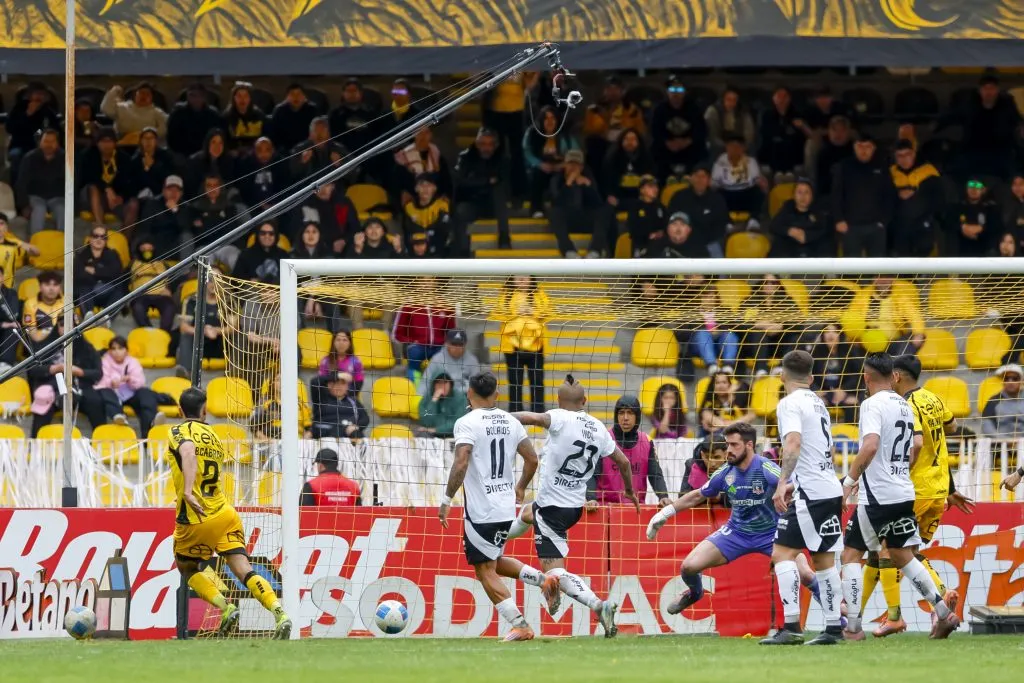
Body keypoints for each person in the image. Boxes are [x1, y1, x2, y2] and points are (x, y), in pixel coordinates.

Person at [839, 353, 961, 641]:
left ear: (867, 377)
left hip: (878, 496)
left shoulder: (871, 404)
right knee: (902, 555)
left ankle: (853, 628)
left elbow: (870, 446)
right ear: (891, 375)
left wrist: (850, 480)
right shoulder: (903, 404)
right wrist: (897, 470)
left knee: (851, 555)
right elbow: (917, 443)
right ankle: (943, 612)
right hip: (904, 491)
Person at [649, 424, 824, 617]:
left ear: (749, 445)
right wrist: (664, 514)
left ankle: (837, 614)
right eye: (727, 445)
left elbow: (794, 487)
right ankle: (695, 594)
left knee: (806, 574)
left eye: (734, 445)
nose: (728, 450)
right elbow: (697, 495)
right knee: (688, 567)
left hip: (773, 534)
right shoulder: (725, 473)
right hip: (736, 533)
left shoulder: (766, 468)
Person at [507, 376, 635, 634]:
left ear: (557, 401)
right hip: (574, 506)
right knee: (529, 512)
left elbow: (530, 418)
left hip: (553, 508)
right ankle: (498, 537)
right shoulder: (599, 427)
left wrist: (497, 416)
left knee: (555, 575)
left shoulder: (559, 417)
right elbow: (624, 462)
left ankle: (599, 605)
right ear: (585, 401)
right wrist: (630, 491)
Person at [169, 388, 292, 638]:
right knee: (244, 569)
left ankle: (226, 607)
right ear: (205, 410)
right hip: (226, 512)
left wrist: (190, 491)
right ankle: (279, 611)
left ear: (180, 411)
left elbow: (189, 453)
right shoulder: (214, 435)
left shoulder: (179, 431)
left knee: (187, 568)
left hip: (196, 516)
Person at [437, 372, 543, 642]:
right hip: (506, 505)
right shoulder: (511, 421)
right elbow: (532, 460)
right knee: (493, 559)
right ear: (497, 394)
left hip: (481, 509)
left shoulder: (466, 422)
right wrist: (519, 487)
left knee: (484, 570)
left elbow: (461, 462)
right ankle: (544, 580)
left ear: (469, 393)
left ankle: (520, 625)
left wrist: (447, 499)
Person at [761, 350, 845, 646]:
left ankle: (792, 626)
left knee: (781, 554)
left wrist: (783, 481)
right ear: (810, 377)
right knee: (823, 561)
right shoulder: (818, 403)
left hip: (810, 493)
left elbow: (793, 443)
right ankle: (834, 629)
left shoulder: (789, 403)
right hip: (829, 488)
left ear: (782, 375)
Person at [27, 317, 107, 437]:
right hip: (51, 386)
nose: (66, 328)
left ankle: (101, 443)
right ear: (57, 327)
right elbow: (31, 369)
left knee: (96, 402)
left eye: (70, 325)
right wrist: (54, 368)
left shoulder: (86, 347)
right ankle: (35, 447)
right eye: (62, 325)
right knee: (43, 407)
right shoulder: (45, 346)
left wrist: (80, 372)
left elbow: (98, 373)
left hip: (80, 386)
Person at [588, 395, 671, 507]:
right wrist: (591, 499)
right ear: (616, 416)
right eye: (621, 413)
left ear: (637, 416)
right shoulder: (603, 439)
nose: (625, 417)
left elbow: (655, 475)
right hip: (605, 508)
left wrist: (663, 496)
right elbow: (592, 474)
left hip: (635, 509)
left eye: (630, 413)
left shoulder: (647, 441)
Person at [831, 133, 895, 257]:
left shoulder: (882, 166)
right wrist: (839, 219)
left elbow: (890, 195)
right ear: (854, 147)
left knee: (877, 269)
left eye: (867, 147)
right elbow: (836, 195)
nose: (864, 150)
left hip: (876, 226)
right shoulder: (844, 166)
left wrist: (884, 221)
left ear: (874, 148)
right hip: (850, 227)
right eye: (860, 146)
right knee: (852, 272)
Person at [494, 276, 551, 413]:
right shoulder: (506, 294)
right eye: (518, 277)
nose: (522, 280)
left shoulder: (539, 294)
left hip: (536, 346)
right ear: (512, 279)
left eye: (525, 277)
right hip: (513, 348)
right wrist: (516, 312)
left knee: (537, 381)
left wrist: (533, 312)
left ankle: (538, 411)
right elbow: (497, 313)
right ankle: (515, 410)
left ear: (531, 279)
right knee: (514, 381)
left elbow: (549, 312)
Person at [452, 128, 510, 253]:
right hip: (472, 202)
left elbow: (504, 183)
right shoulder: (466, 157)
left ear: (495, 146)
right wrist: (486, 181)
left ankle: (504, 238)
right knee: (460, 211)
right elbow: (460, 182)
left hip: (492, 204)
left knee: (498, 191)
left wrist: (476, 181)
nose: (486, 148)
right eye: (483, 144)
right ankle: (461, 250)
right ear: (477, 144)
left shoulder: (501, 159)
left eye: (490, 144)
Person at [548, 149, 615, 258]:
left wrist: (587, 187)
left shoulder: (588, 178)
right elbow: (556, 202)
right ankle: (569, 251)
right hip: (566, 221)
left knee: (607, 209)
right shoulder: (556, 180)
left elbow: (597, 204)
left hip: (585, 219)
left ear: (582, 167)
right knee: (554, 212)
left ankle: (595, 251)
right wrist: (568, 184)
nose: (573, 167)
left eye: (577, 164)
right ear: (565, 165)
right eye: (570, 163)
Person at [842, 276, 926, 358]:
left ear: (893, 279)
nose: (884, 280)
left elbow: (914, 315)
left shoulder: (900, 296)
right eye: (880, 277)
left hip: (893, 344)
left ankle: (898, 368)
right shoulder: (863, 295)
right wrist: (854, 337)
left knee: (917, 336)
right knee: (846, 342)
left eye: (887, 277)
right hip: (866, 344)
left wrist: (918, 333)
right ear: (874, 279)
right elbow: (852, 316)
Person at [95, 336, 161, 437]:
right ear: (110, 351)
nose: (117, 352)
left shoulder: (133, 361)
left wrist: (130, 379)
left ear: (126, 350)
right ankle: (119, 417)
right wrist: (111, 383)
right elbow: (101, 382)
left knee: (146, 393)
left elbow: (140, 382)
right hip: (112, 394)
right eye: (113, 349)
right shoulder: (104, 361)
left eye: (120, 348)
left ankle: (151, 424)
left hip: (130, 393)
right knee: (105, 392)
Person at [889, 139, 945, 257]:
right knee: (902, 260)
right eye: (900, 156)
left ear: (913, 153)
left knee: (923, 257)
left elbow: (939, 199)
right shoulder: (890, 172)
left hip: (923, 224)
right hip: (900, 226)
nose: (904, 159)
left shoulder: (928, 171)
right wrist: (897, 194)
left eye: (907, 154)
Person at [523, 105, 579, 217]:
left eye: (552, 118)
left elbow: (576, 155)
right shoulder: (532, 133)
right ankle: (536, 208)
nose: (549, 121)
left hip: (561, 167)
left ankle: (562, 209)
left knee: (562, 178)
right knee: (537, 175)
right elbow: (527, 153)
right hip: (541, 168)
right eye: (546, 118)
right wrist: (540, 164)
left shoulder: (565, 136)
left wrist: (563, 165)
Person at [741, 275, 802, 376]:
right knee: (758, 333)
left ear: (778, 285)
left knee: (795, 337)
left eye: (772, 283)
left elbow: (799, 323)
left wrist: (782, 326)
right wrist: (757, 325)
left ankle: (782, 367)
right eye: (766, 282)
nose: (769, 285)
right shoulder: (750, 300)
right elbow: (738, 324)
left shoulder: (787, 301)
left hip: (780, 342)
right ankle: (761, 369)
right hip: (755, 345)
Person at [649, 75, 706, 182]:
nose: (676, 93)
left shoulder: (694, 108)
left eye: (679, 89)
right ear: (667, 92)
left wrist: (687, 141)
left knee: (701, 148)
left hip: (689, 147)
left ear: (684, 92)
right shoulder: (659, 109)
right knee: (655, 149)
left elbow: (701, 130)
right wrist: (667, 142)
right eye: (672, 89)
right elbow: (655, 131)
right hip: (667, 148)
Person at [666, 163, 729, 258]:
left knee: (720, 268)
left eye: (703, 176)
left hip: (708, 243)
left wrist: (701, 241)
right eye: (696, 176)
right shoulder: (679, 197)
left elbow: (721, 226)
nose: (699, 180)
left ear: (709, 180)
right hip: (682, 243)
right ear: (691, 178)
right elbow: (670, 220)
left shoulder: (717, 200)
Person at [5, 83, 58, 187]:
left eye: (42, 94)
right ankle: (16, 191)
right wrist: (27, 114)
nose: (39, 97)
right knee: (15, 156)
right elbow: (10, 128)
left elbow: (54, 130)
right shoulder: (19, 108)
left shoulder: (48, 112)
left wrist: (41, 134)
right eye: (36, 94)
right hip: (20, 145)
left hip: (42, 146)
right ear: (29, 95)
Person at [123, 127, 176, 230]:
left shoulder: (166, 157)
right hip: (138, 198)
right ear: (141, 141)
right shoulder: (135, 160)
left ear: (156, 141)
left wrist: (153, 167)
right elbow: (130, 186)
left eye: (151, 138)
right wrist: (145, 170)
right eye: (145, 138)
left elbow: (168, 181)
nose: (148, 141)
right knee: (133, 205)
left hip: (160, 197)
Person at [15, 128, 64, 235]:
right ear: (40, 142)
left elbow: (73, 184)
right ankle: (36, 242)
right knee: (39, 209)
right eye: (46, 141)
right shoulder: (29, 158)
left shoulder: (65, 158)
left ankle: (63, 244)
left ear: (58, 143)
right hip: (36, 196)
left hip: (58, 197)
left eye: (52, 142)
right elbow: (21, 183)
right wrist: (24, 205)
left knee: (62, 210)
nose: (49, 145)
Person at [810, 323, 862, 424]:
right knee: (817, 404)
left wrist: (844, 390)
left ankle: (851, 436)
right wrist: (816, 391)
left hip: (844, 392)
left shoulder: (849, 351)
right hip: (823, 393)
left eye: (835, 331)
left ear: (840, 335)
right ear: (822, 335)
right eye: (827, 331)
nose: (831, 334)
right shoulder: (815, 352)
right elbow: (809, 376)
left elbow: (857, 375)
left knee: (853, 403)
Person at [80, 127, 132, 223]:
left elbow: (128, 181)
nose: (106, 145)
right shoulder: (88, 155)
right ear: (97, 142)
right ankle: (99, 227)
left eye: (110, 141)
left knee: (132, 205)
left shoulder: (123, 158)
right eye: (103, 141)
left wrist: (122, 197)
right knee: (93, 188)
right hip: (89, 196)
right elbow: (87, 178)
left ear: (115, 142)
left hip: (114, 199)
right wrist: (106, 188)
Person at [768, 179, 831, 258]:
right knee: (779, 242)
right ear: (794, 195)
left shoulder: (818, 210)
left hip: (812, 249)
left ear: (812, 196)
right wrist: (790, 231)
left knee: (825, 244)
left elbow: (824, 230)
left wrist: (806, 236)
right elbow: (774, 226)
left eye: (806, 192)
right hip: (789, 250)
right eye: (799, 192)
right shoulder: (788, 207)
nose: (803, 196)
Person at [711, 135, 768, 220]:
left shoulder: (751, 161)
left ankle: (754, 221)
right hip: (727, 193)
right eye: (731, 146)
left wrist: (763, 184)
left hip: (745, 192)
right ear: (726, 148)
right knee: (716, 195)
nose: (734, 149)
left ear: (743, 148)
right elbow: (714, 182)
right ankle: (726, 222)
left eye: (738, 146)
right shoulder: (720, 162)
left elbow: (757, 179)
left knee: (758, 192)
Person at [756, 86, 808, 175]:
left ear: (789, 99)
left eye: (785, 96)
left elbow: (798, 136)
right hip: (772, 149)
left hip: (792, 151)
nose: (782, 100)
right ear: (773, 98)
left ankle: (788, 172)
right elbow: (766, 133)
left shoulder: (797, 114)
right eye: (779, 96)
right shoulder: (766, 114)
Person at [175, 282, 224, 377]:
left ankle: (235, 371)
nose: (213, 282)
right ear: (204, 281)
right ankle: (185, 373)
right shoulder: (192, 300)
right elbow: (183, 326)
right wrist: (203, 332)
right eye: (210, 278)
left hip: (219, 344)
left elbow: (234, 327)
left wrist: (215, 331)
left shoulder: (227, 301)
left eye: (217, 278)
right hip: (197, 346)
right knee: (186, 335)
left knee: (237, 336)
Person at [392, 127, 451, 204]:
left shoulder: (438, 157)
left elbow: (446, 182)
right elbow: (398, 186)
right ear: (414, 135)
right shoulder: (403, 158)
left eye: (426, 133)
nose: (422, 136)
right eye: (419, 133)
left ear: (431, 135)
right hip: (411, 204)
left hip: (436, 203)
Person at [601, 128, 656, 209]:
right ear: (621, 141)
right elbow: (606, 180)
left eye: (633, 139)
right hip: (618, 196)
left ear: (639, 142)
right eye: (626, 139)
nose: (630, 142)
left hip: (640, 196)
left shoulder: (646, 157)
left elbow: (651, 177)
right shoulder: (613, 157)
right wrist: (609, 195)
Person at [128, 239, 176, 331]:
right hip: (141, 295)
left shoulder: (163, 263)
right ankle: (150, 332)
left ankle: (163, 334)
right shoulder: (132, 263)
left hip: (161, 295)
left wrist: (170, 290)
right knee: (137, 307)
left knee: (170, 307)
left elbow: (174, 278)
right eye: (143, 248)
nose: (146, 251)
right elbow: (123, 281)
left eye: (149, 248)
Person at [74, 225, 125, 312]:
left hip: (106, 293)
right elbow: (79, 276)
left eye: (103, 237)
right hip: (87, 293)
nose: (99, 239)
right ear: (90, 238)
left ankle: (106, 319)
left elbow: (116, 273)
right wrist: (104, 274)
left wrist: (94, 271)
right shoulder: (81, 255)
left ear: (106, 240)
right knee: (84, 289)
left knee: (119, 293)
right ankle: (88, 320)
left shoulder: (113, 254)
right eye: (95, 236)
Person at [100, 82, 168, 147]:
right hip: (121, 143)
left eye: (147, 94)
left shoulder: (157, 112)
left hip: (146, 145)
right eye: (141, 93)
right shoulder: (122, 107)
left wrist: (146, 135)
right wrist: (114, 91)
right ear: (135, 95)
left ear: (152, 98)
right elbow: (106, 109)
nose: (143, 96)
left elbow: (166, 126)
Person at [328, 78, 379, 163]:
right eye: (348, 91)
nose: (351, 94)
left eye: (354, 91)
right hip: (342, 159)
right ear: (343, 93)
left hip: (366, 158)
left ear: (361, 93)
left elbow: (375, 137)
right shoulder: (335, 114)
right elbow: (331, 138)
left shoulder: (371, 114)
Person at [138, 175, 191, 257]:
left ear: (181, 193)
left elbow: (186, 229)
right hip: (155, 244)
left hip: (175, 246)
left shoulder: (185, 207)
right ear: (163, 191)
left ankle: (185, 268)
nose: (173, 193)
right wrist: (145, 242)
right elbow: (145, 228)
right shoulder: (152, 204)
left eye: (177, 190)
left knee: (186, 236)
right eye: (170, 189)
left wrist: (176, 211)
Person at [948, 177, 1002, 257]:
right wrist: (962, 227)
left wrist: (981, 229)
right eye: (971, 185)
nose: (974, 189)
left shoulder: (991, 208)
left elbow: (997, 227)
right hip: (961, 253)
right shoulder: (958, 207)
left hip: (984, 253)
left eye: (978, 186)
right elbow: (948, 223)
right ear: (966, 188)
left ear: (983, 190)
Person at [167, 83, 224, 158]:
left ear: (204, 97)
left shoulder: (213, 115)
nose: (196, 98)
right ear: (187, 96)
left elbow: (218, 136)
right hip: (182, 155)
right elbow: (171, 137)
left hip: (207, 155)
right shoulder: (178, 113)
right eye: (192, 95)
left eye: (199, 95)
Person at [401, 173, 451, 257]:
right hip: (414, 251)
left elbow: (443, 230)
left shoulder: (442, 205)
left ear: (434, 188)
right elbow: (408, 230)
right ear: (416, 188)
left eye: (429, 185)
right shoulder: (409, 207)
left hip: (437, 252)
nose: (426, 189)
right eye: (422, 185)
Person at [309, 371, 370, 439]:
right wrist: (338, 375)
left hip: (348, 435)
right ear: (329, 385)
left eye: (343, 384)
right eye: (336, 383)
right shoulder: (321, 397)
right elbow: (314, 382)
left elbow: (365, 418)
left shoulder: (353, 401)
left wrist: (356, 426)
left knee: (358, 436)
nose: (339, 387)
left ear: (347, 386)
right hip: (325, 434)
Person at [422, 329, 481, 396]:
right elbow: (425, 381)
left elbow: (476, 385)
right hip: (442, 396)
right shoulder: (437, 359)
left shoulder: (472, 360)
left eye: (460, 344)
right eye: (454, 344)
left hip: (465, 397)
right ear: (447, 343)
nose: (457, 348)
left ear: (465, 345)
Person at [699, 371, 754, 437]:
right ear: (713, 386)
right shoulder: (709, 404)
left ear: (730, 384)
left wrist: (731, 395)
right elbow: (717, 422)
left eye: (724, 382)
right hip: (714, 439)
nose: (721, 386)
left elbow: (751, 416)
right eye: (717, 383)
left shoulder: (740, 402)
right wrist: (736, 424)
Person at [705, 86, 756, 158]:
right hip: (720, 144)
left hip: (739, 143)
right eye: (728, 99)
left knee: (751, 148)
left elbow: (749, 133)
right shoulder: (713, 111)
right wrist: (727, 147)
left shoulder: (743, 111)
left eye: (734, 100)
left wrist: (742, 146)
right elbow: (712, 135)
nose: (731, 103)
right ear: (723, 99)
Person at [270, 83, 319, 153]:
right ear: (287, 97)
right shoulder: (279, 111)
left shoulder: (312, 110)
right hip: (284, 150)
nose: (296, 97)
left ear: (304, 97)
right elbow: (274, 135)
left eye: (299, 94)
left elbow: (315, 135)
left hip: (307, 149)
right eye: (292, 94)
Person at [417, 372, 467, 439]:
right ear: (433, 385)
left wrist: (437, 430)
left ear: (450, 384)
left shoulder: (460, 398)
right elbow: (426, 422)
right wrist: (434, 400)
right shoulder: (427, 398)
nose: (442, 386)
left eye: (445, 382)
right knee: (421, 434)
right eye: (438, 382)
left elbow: (459, 423)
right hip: (431, 435)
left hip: (453, 435)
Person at [981, 363, 1024, 441]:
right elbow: (986, 426)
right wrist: (1004, 441)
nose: (1010, 382)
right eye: (1006, 378)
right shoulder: (994, 401)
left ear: (1021, 381)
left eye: (1014, 378)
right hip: (1001, 446)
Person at [223, 81, 268, 152]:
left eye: (246, 96)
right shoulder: (227, 117)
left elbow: (266, 138)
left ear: (250, 98)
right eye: (239, 96)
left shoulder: (259, 116)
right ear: (234, 98)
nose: (242, 99)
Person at [317, 328, 365, 395]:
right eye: (338, 340)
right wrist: (339, 376)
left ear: (349, 343)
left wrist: (343, 395)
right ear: (333, 342)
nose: (341, 343)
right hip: (328, 399)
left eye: (344, 340)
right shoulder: (326, 361)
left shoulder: (356, 362)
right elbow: (320, 382)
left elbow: (358, 385)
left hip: (348, 398)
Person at [23, 270, 64, 344]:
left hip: (64, 343)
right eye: (47, 284)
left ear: (60, 287)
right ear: (40, 287)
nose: (51, 288)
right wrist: (54, 331)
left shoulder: (66, 301)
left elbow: (73, 327)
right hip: (41, 347)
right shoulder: (30, 304)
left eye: (55, 285)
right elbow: (34, 336)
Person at [0, 215, 40, 287]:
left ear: (6, 227)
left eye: (1, 223)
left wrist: (25, 245)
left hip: (7, 288)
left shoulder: (14, 243)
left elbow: (36, 253)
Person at [0, 265, 22, 370]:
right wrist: (2, 324)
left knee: (15, 329)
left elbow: (14, 314)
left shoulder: (11, 294)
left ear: (2, 277)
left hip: (5, 332)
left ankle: (5, 365)